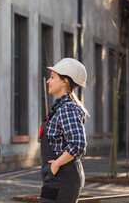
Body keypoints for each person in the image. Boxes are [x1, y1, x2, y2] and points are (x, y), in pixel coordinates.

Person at [39, 58, 88, 203]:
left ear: (64, 82)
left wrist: (55, 164)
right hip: (56, 178)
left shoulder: (67, 109)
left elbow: (78, 144)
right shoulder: (59, 108)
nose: (48, 81)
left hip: (63, 178)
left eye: (52, 77)